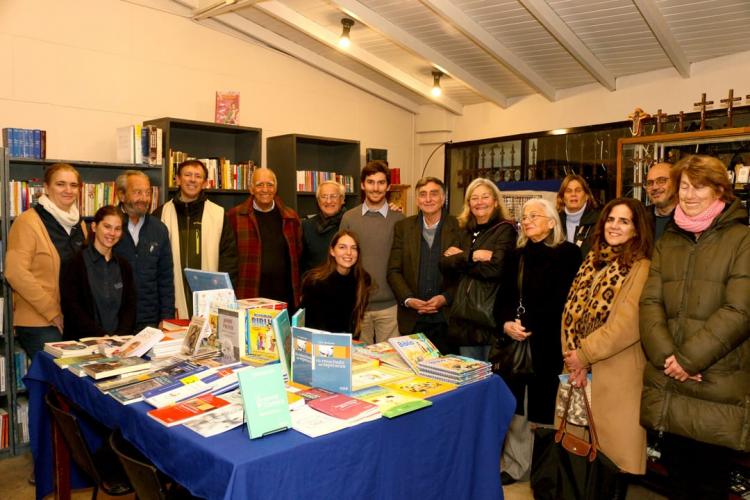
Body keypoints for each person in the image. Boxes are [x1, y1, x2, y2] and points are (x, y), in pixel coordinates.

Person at [640, 155, 750, 500]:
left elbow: (740, 310)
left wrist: (688, 360)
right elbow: (650, 303)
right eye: (684, 185)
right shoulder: (669, 240)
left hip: (716, 379)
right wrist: (668, 358)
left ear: (719, 189)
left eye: (698, 186)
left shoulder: (742, 239)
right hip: (671, 379)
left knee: (709, 482)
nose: (688, 194)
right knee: (676, 478)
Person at [561, 197, 653, 494]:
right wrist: (574, 358)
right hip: (580, 371)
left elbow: (626, 325)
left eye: (624, 221)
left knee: (611, 463)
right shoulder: (592, 259)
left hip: (616, 375)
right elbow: (570, 312)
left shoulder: (641, 267)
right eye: (611, 219)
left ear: (637, 229)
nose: (615, 226)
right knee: (580, 457)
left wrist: (585, 355)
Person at [496, 198, 581, 484]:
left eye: (534, 215)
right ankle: (515, 465)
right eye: (524, 216)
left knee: (547, 410)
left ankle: (545, 472)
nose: (527, 220)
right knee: (518, 408)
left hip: (553, 345)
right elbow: (503, 300)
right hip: (518, 344)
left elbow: (573, 304)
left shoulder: (569, 255)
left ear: (552, 221)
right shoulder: (516, 255)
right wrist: (507, 324)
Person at [5, 163, 88, 358]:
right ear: (47, 187)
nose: (68, 190)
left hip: (71, 317)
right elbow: (15, 272)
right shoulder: (27, 221)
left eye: (73, 185)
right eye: (60, 184)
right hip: (39, 320)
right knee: (57, 380)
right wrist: (52, 312)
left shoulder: (80, 225)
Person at [440, 178, 517, 361]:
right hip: (464, 319)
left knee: (488, 378)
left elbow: (496, 269)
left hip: (489, 317)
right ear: (468, 204)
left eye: (485, 197)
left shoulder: (505, 229)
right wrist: (474, 256)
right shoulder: (464, 230)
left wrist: (460, 258)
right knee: (469, 377)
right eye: (474, 198)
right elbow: (444, 264)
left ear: (495, 201)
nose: (479, 202)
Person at [153, 159, 239, 319]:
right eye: (187, 175)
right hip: (171, 300)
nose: (192, 180)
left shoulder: (219, 214)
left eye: (198, 176)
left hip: (211, 299)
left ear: (205, 183)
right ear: (177, 179)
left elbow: (229, 260)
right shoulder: (161, 214)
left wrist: (225, 297)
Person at [387, 177, 460, 354]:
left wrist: (445, 298)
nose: (428, 199)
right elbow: (393, 270)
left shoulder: (459, 226)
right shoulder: (403, 227)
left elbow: (464, 274)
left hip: (447, 319)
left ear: (443, 198)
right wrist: (409, 300)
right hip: (412, 320)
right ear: (417, 200)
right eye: (422, 195)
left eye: (434, 194)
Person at [340, 160, 405, 343]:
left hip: (391, 306)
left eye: (381, 182)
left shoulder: (400, 219)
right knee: (360, 364)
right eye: (370, 182)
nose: (375, 188)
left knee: (392, 364)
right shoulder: (349, 218)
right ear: (362, 185)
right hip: (358, 306)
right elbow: (340, 260)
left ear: (389, 186)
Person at [227, 167, 302, 309]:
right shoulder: (235, 216)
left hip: (285, 296)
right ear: (251, 189)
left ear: (276, 188)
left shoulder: (290, 217)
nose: (265, 189)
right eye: (259, 185)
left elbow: (299, 254)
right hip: (249, 295)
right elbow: (229, 258)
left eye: (270, 184)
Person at [60, 206, 136, 340]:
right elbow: (72, 307)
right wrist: (102, 336)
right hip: (84, 344)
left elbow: (130, 307)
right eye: (107, 226)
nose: (112, 233)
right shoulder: (74, 263)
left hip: (118, 344)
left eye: (117, 229)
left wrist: (118, 338)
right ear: (94, 227)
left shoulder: (124, 266)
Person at [113, 170, 175, 330]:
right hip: (113, 318)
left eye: (148, 193)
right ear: (121, 195)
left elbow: (166, 278)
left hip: (149, 319)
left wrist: (166, 317)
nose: (144, 198)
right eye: (137, 192)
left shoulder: (159, 229)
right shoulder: (108, 226)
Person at [300, 229, 372, 335]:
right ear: (332, 251)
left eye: (354, 248)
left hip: (347, 343)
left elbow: (355, 320)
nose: (348, 253)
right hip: (318, 342)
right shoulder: (315, 282)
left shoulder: (363, 279)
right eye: (342, 247)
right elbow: (308, 323)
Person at [301, 180, 346, 274]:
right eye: (324, 196)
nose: (328, 201)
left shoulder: (349, 223)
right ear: (318, 201)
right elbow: (302, 263)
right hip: (315, 284)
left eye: (333, 196)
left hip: (345, 284)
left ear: (342, 200)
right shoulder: (306, 226)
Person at [557, 174, 600, 257]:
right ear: (562, 198)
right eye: (568, 191)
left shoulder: (599, 222)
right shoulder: (554, 223)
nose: (573, 194)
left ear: (587, 196)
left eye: (578, 190)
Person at [644, 161, 677, 240]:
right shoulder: (641, 217)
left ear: (676, 183)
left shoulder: (690, 219)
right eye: (650, 183)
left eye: (661, 180)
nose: (654, 187)